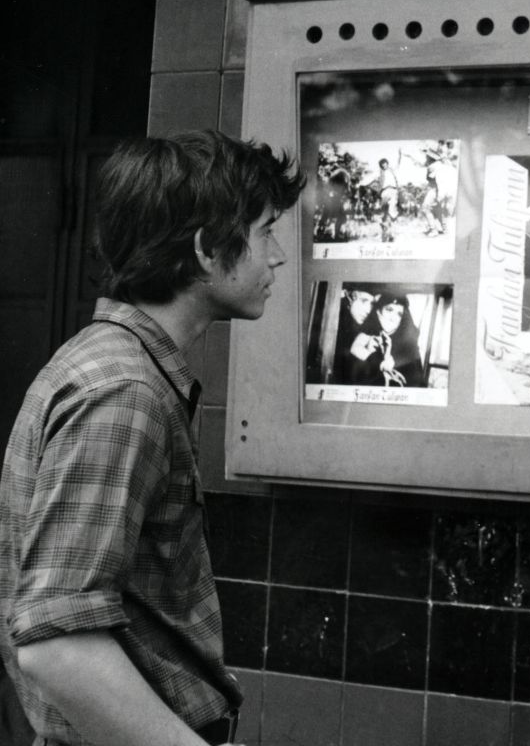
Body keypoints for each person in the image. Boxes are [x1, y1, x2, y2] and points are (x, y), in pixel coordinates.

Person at [0, 130, 304, 746]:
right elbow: (56, 644)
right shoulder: (124, 391)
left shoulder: (109, 363)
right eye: (266, 230)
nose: (277, 257)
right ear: (206, 251)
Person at [339, 292, 424, 388]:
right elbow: (355, 349)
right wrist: (377, 361)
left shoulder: (408, 346)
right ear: (378, 312)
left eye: (399, 314)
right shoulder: (368, 335)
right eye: (389, 310)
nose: (394, 318)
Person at [332, 286, 376, 382]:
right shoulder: (333, 321)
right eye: (363, 301)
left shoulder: (358, 329)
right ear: (348, 297)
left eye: (372, 304)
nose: (368, 310)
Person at [377, 158, 400, 242]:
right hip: (384, 191)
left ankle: (390, 235)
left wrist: (399, 155)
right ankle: (384, 232)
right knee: (384, 213)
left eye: (385, 163)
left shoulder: (392, 170)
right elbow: (371, 178)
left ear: (387, 163)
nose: (384, 165)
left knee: (392, 212)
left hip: (393, 190)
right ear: (381, 165)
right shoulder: (380, 173)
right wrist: (361, 183)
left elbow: (398, 164)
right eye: (382, 164)